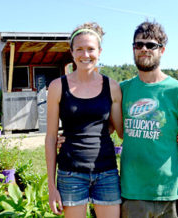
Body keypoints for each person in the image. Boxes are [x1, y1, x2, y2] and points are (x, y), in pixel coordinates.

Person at [120, 20, 178, 217]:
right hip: (132, 194)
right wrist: (68, 138)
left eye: (151, 45)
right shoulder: (122, 90)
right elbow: (104, 128)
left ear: (162, 50)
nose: (144, 49)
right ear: (133, 49)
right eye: (138, 44)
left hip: (168, 195)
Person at [45, 22, 123, 218]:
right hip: (70, 173)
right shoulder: (57, 87)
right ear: (72, 52)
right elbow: (51, 137)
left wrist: (172, 132)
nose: (85, 55)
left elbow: (119, 129)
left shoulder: (112, 87)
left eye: (90, 49)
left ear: (100, 51)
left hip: (106, 171)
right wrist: (51, 187)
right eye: (79, 49)